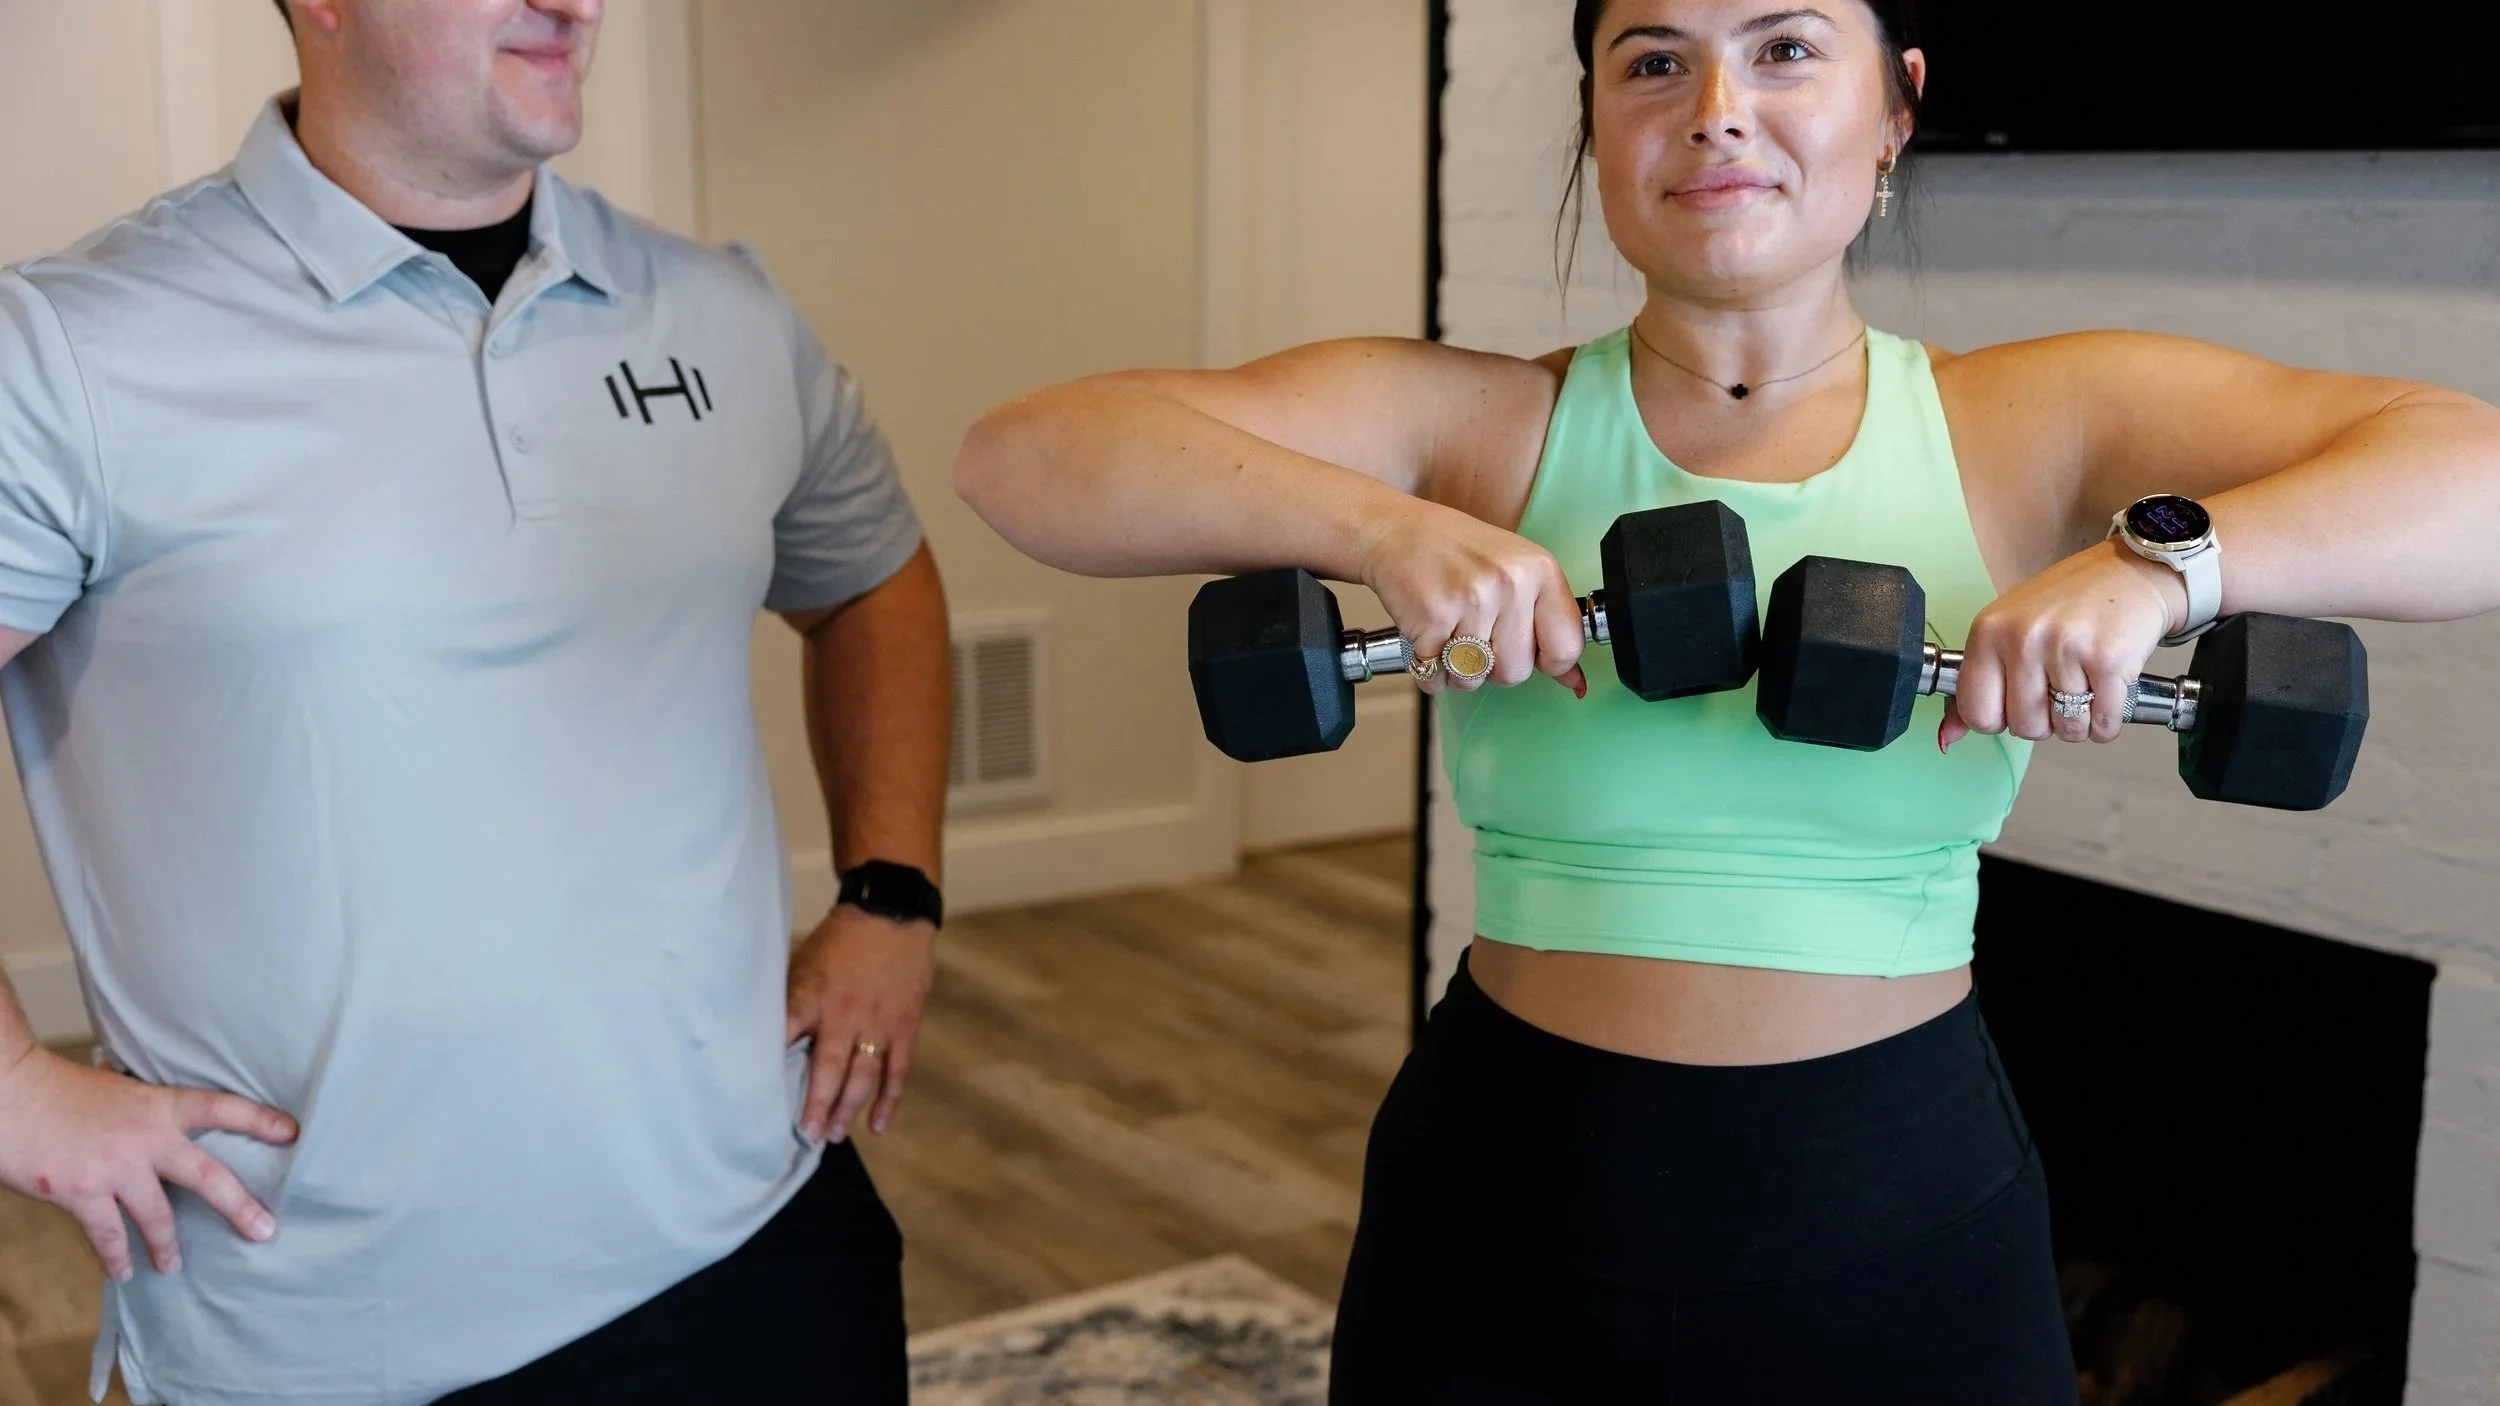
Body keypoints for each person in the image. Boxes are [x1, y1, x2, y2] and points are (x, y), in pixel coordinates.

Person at [953, 0, 2500, 1400]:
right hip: (1511, 1189)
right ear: (1597, 127)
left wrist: (2174, 565)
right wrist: (1383, 529)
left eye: (1782, 48)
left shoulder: (2024, 418)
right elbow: (1024, 457)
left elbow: (2469, 468)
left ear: (1894, 107)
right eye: (1652, 61)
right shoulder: (1483, 424)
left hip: (1893, 1205)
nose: (1714, 105)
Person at [0, 1, 950, 1401]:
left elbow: (874, 581)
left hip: (764, 1236)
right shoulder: (72, 351)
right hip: (337, 1329)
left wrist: (891, 889)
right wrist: (12, 1087)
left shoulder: (722, 311)